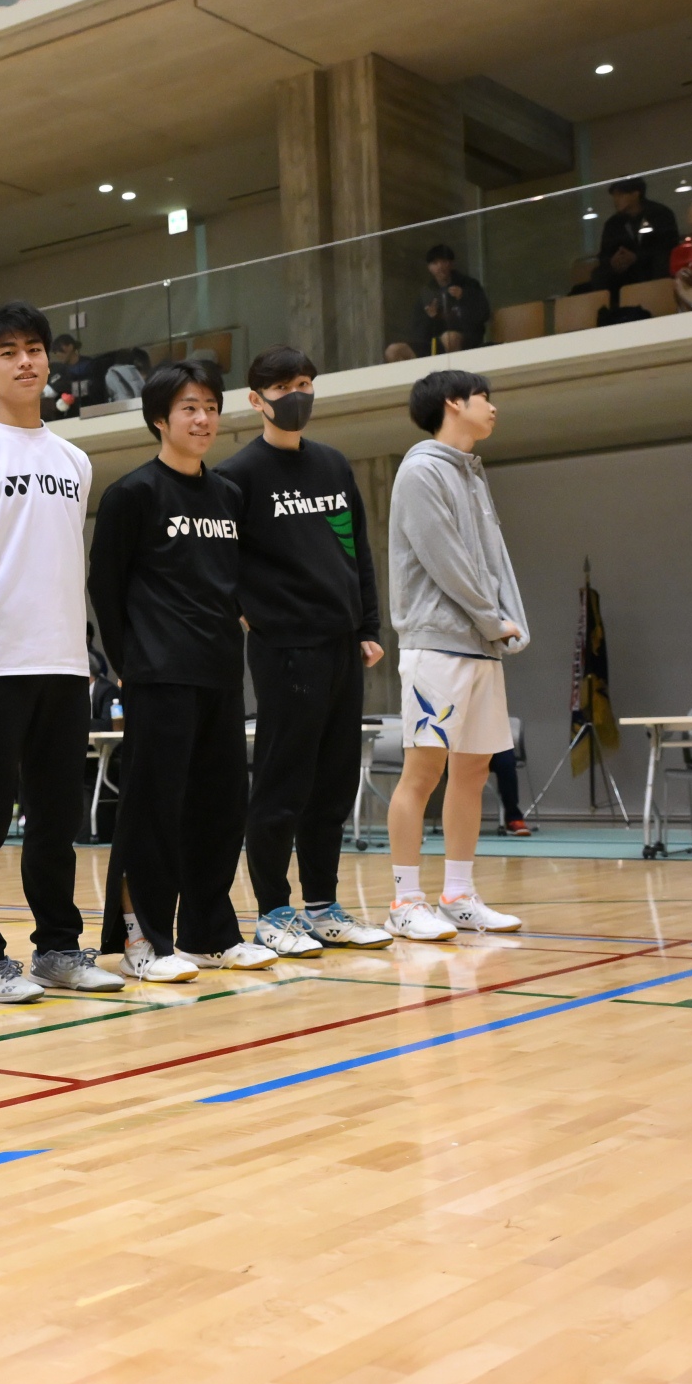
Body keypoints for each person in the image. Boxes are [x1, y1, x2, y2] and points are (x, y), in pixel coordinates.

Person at [0, 301, 120, 1001]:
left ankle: (58, 949)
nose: (26, 362)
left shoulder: (75, 460)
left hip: (64, 666)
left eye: (35, 349)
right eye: (9, 352)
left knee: (56, 822)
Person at [89, 357, 274, 979]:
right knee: (152, 810)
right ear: (159, 420)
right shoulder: (133, 494)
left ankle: (209, 935)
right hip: (158, 675)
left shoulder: (228, 495)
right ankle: (143, 940)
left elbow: (232, 583)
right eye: (189, 408)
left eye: (211, 408)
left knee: (220, 809)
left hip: (219, 673)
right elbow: (105, 588)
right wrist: (128, 665)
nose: (203, 419)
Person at [215, 346, 393, 956]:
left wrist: (368, 625)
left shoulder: (333, 466)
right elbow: (220, 566)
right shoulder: (237, 476)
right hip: (286, 649)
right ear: (256, 399)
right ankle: (274, 912)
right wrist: (257, 618)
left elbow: (356, 549)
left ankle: (322, 907)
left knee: (333, 784)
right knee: (282, 783)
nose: (299, 395)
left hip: (343, 645)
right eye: (286, 386)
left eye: (307, 384)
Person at [384, 370, 529, 939]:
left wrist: (508, 622)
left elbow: (494, 559)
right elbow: (446, 560)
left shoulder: (471, 472)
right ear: (453, 403)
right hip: (437, 646)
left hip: (481, 647)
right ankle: (404, 902)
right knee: (423, 773)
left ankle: (458, 895)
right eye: (484, 398)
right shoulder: (421, 470)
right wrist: (493, 619)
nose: (493, 408)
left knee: (473, 771)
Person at [576, 178, 678, 299]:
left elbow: (668, 247)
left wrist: (637, 257)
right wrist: (613, 262)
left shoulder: (660, 214)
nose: (615, 200)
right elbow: (604, 254)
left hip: (650, 269)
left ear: (635, 194)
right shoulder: (613, 223)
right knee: (599, 274)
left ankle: (659, 299)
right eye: (614, 196)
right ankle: (610, 308)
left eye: (620, 195)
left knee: (660, 263)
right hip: (624, 276)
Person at [390, 243, 491, 361]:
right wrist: (430, 317)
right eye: (435, 263)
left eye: (444, 261)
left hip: (466, 341)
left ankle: (458, 372)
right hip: (433, 345)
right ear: (429, 268)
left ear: (451, 264)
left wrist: (463, 297)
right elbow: (418, 334)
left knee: (449, 338)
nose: (440, 266)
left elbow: (484, 314)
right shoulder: (426, 293)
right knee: (393, 350)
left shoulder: (469, 285)